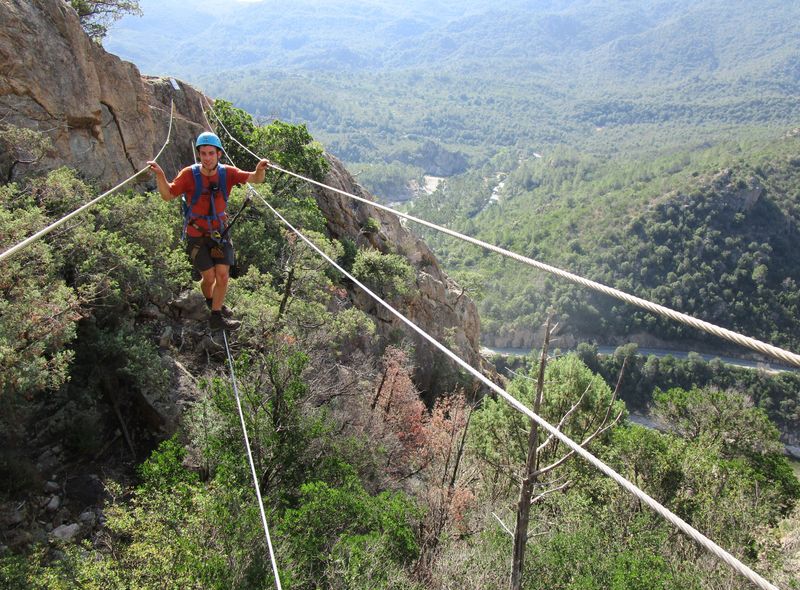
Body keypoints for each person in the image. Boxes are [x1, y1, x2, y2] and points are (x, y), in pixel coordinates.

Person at [148, 131, 270, 331]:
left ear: (219, 154)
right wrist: (160, 175)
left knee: (222, 275)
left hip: (219, 234)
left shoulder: (227, 173)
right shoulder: (189, 174)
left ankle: (216, 315)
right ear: (199, 154)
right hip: (196, 236)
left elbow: (256, 179)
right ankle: (210, 300)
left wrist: (260, 169)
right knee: (209, 278)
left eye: (211, 153)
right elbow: (168, 194)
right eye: (203, 153)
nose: (206, 158)